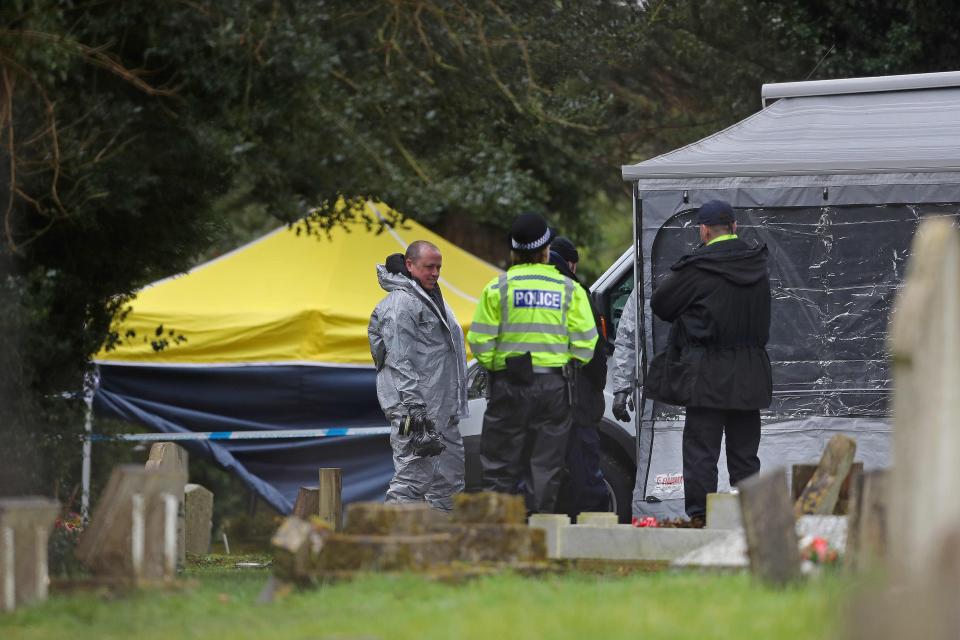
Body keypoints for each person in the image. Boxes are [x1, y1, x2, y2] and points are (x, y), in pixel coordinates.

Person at [644, 200, 772, 522]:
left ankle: (702, 520)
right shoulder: (757, 265)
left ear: (703, 230)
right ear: (734, 227)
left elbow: (661, 304)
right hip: (749, 372)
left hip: (707, 376)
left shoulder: (699, 268)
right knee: (745, 456)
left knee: (702, 453)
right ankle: (752, 522)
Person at [467, 213, 598, 514]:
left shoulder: (497, 288)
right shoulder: (569, 289)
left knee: (500, 466)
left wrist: (503, 365)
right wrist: (563, 362)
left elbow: (480, 342)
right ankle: (540, 539)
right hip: (554, 387)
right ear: (546, 250)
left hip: (509, 385)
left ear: (514, 251)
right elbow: (586, 344)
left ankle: (499, 540)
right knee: (546, 468)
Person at [368, 240, 469, 511]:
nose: (435, 273)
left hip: (441, 407)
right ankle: (395, 547)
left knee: (449, 483)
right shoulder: (401, 303)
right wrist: (415, 410)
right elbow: (400, 359)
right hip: (418, 409)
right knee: (412, 480)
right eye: (429, 267)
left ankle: (441, 546)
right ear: (410, 265)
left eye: (438, 267)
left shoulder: (431, 297)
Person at [548, 237, 609, 515]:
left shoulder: (515, 288)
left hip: (536, 400)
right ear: (570, 263)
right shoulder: (574, 292)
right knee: (584, 474)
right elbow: (592, 349)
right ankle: (589, 537)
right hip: (576, 397)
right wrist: (597, 386)